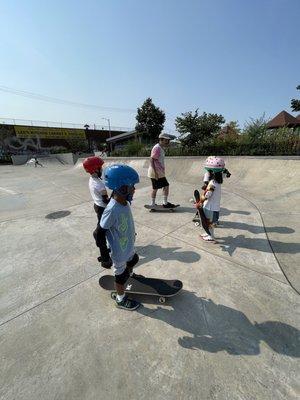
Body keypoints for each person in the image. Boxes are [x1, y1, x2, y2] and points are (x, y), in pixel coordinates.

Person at [100, 164, 141, 310]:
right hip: (118, 251)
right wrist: (105, 256)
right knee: (121, 274)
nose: (134, 189)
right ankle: (120, 299)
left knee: (134, 259)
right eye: (132, 186)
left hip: (128, 246)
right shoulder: (112, 209)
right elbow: (98, 233)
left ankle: (127, 278)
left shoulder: (123, 202)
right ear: (122, 188)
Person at [83, 156, 112, 268]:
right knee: (99, 233)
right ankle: (106, 260)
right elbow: (106, 200)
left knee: (105, 229)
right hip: (103, 209)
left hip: (97, 206)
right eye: (100, 168)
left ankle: (109, 245)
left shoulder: (92, 179)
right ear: (95, 169)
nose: (102, 169)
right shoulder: (99, 184)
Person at [197, 156, 226, 242]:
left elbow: (208, 194)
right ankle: (207, 233)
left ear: (212, 173)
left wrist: (200, 201)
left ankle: (211, 236)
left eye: (209, 171)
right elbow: (224, 173)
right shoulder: (218, 181)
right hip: (214, 205)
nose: (207, 173)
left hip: (210, 206)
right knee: (208, 222)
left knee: (208, 222)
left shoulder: (212, 183)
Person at [147, 132, 175, 208]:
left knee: (161, 187)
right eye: (166, 140)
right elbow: (151, 159)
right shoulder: (157, 148)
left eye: (168, 140)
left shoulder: (160, 148)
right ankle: (162, 203)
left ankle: (159, 203)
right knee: (162, 186)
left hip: (159, 172)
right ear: (161, 140)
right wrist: (155, 173)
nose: (168, 142)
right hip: (156, 172)